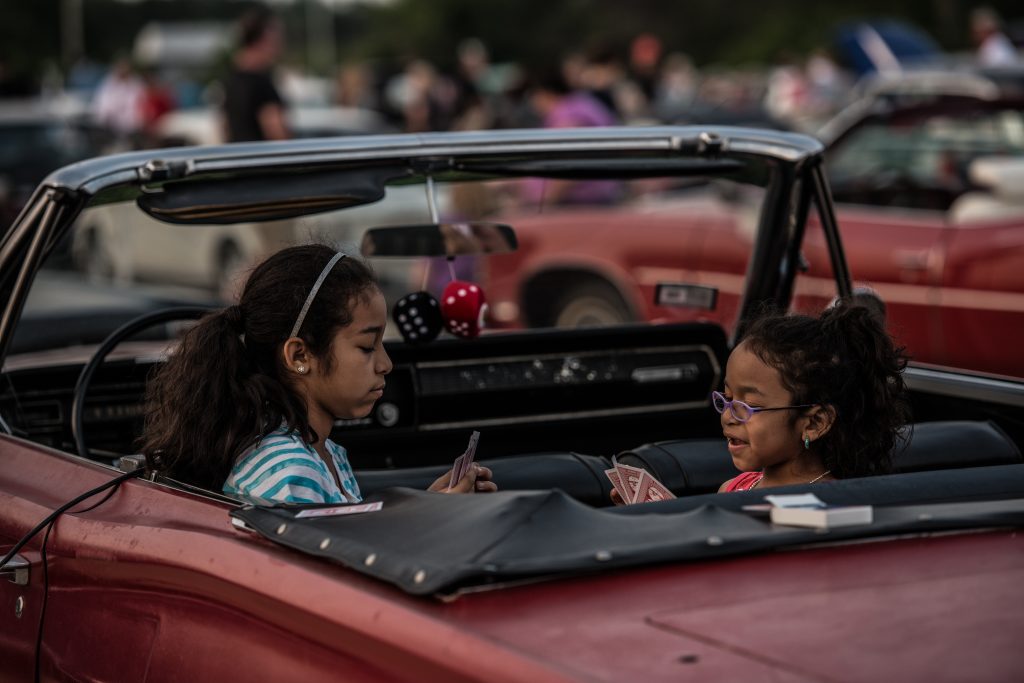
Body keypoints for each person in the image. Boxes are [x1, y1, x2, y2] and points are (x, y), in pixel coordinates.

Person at [142, 244, 496, 504]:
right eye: (366, 347)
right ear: (300, 355)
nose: (385, 364)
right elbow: (340, 591)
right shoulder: (292, 472)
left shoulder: (324, 455)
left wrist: (430, 509)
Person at [716, 300, 910, 492]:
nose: (727, 417)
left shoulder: (831, 501)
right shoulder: (731, 489)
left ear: (814, 423)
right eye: (728, 398)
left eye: (749, 405)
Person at [221, 8, 289, 142]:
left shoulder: (232, 79)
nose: (281, 44)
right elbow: (276, 132)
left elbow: (225, 128)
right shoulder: (260, 82)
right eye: (277, 37)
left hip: (238, 158)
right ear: (264, 38)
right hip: (263, 159)